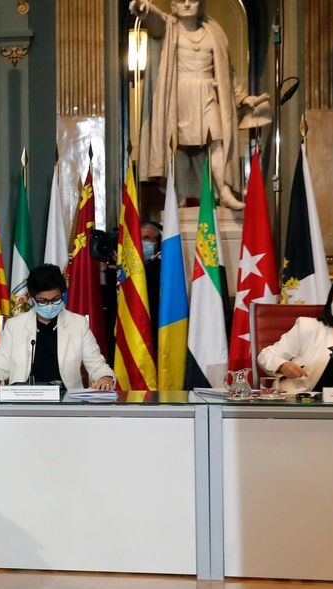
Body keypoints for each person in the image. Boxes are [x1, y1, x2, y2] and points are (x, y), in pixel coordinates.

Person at [128, 0, 269, 210]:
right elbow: (155, 21)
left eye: (191, 0)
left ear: (201, 4)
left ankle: (225, 192)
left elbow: (226, 72)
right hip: (179, 95)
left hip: (208, 93)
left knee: (218, 141)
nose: (186, 4)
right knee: (179, 147)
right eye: (180, 0)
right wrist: (145, 10)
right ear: (173, 5)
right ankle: (179, 198)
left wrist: (241, 98)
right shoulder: (168, 28)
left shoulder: (214, 32)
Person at [0, 264, 116, 392]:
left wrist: (105, 377)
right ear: (32, 299)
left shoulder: (78, 324)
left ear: (63, 294)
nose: (50, 305)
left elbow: (97, 365)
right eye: (43, 301)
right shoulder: (14, 326)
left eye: (56, 299)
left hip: (66, 401)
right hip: (22, 401)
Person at [141, 221, 163, 343]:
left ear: (157, 243)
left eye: (149, 238)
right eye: (142, 238)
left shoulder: (162, 267)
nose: (144, 242)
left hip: (155, 327)